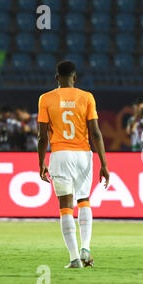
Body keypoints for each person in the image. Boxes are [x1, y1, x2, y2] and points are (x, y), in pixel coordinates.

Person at [38, 60, 110, 269]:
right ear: (75, 78)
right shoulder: (86, 97)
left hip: (60, 155)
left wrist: (41, 161)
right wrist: (104, 163)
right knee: (84, 200)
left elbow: (42, 137)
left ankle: (74, 258)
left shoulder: (46, 99)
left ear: (56, 78)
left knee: (65, 207)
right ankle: (85, 247)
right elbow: (95, 132)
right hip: (83, 155)